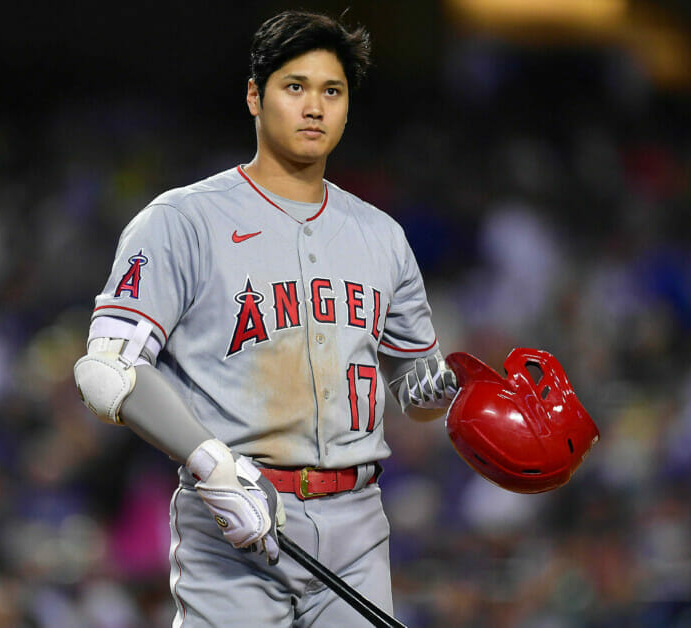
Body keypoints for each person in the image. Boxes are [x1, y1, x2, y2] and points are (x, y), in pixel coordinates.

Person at [73, 10, 458, 626]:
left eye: (332, 91)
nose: (314, 108)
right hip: (233, 515)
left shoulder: (383, 236)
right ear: (254, 96)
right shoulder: (182, 220)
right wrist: (211, 465)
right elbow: (106, 371)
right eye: (294, 87)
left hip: (359, 524)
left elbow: (414, 390)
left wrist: (447, 390)